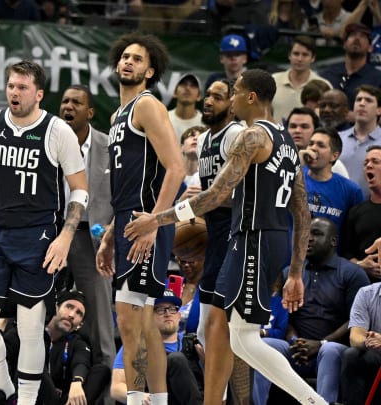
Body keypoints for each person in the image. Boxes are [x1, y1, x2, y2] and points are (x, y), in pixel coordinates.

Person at [124, 69, 328, 405]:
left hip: (254, 240)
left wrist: (156, 221)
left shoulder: (253, 137)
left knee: (244, 338)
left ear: (250, 97)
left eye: (235, 93)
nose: (231, 100)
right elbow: (302, 211)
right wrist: (294, 271)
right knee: (218, 325)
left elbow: (214, 196)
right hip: (264, 239)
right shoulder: (287, 143)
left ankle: (312, 402)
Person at [0, 60, 88, 405]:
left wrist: (66, 236)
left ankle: (24, 400)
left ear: (38, 94)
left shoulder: (58, 132)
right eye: (11, 86)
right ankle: (7, 390)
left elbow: (80, 190)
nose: (14, 93)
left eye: (22, 88)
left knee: (28, 328)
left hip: (38, 237)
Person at [96, 33, 185, 405]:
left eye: (137, 59)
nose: (128, 62)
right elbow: (128, 183)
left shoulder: (147, 106)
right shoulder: (118, 115)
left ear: (150, 71)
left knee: (132, 323)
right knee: (141, 323)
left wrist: (155, 222)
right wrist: (111, 234)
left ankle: (137, 400)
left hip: (147, 222)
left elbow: (177, 168)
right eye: (125, 57)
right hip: (128, 222)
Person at [252, 217, 369, 404]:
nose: (309, 239)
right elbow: (284, 316)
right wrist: (295, 341)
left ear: (333, 241)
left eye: (316, 234)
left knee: (329, 351)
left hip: (333, 349)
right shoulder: (290, 273)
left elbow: (357, 321)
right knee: (266, 345)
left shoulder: (352, 273)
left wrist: (320, 343)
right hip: (297, 348)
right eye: (306, 234)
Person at [191, 78, 244, 404]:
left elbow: (237, 193)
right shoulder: (203, 141)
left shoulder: (236, 135)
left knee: (222, 329)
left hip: (235, 233)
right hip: (213, 233)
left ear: (232, 103)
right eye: (207, 95)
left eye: (218, 96)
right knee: (204, 330)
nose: (208, 101)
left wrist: (201, 203)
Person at [57, 84, 116, 371]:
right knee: (41, 314)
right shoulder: (49, 142)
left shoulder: (108, 147)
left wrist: (111, 232)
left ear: (90, 112)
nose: (68, 106)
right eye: (65, 101)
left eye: (76, 103)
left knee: (100, 323)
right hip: (53, 236)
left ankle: (104, 394)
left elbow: (123, 194)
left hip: (92, 240)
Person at [3, 290, 111, 405]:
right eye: (69, 307)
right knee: (33, 358)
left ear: (79, 325)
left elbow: (81, 361)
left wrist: (77, 381)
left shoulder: (76, 342)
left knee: (101, 371)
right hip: (25, 395)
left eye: (78, 313)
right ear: (56, 308)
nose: (72, 315)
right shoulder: (30, 330)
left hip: (60, 400)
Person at [110, 289, 203, 405]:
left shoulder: (193, 344)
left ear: (179, 316)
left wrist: (206, 362)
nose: (168, 313)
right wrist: (141, 397)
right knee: (176, 359)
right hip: (155, 399)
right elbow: (116, 388)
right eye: (160, 309)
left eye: (172, 309)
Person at [300, 127, 363, 235]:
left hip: (330, 251)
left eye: (321, 145)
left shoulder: (351, 191)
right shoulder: (292, 178)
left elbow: (355, 232)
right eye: (311, 144)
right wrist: (296, 166)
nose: (313, 148)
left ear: (334, 156)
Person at [341, 145, 381, 282]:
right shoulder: (356, 211)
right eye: (366, 163)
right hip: (363, 287)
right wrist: (361, 265)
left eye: (375, 161)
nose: (369, 165)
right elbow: (346, 254)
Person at [272, 36, 332, 123]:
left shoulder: (324, 86)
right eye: (296, 54)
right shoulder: (273, 81)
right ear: (289, 55)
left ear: (313, 58)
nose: (300, 59)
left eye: (305, 55)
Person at [322, 23, 381, 110]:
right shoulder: (328, 74)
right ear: (344, 44)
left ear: (370, 48)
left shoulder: (378, 78)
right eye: (353, 35)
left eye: (362, 36)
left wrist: (357, 116)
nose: (357, 38)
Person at [339, 281, 381, 404]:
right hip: (377, 353)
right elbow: (355, 336)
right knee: (353, 355)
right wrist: (370, 341)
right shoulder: (366, 293)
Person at [338, 84, 381, 198]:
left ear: (379, 110)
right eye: (358, 100)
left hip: (372, 209)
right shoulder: (337, 139)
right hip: (338, 206)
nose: (362, 103)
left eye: (368, 100)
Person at [168, 74, 203, 142]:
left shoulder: (205, 124)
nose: (187, 88)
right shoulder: (163, 119)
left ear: (199, 96)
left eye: (193, 86)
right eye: (183, 84)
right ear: (175, 93)